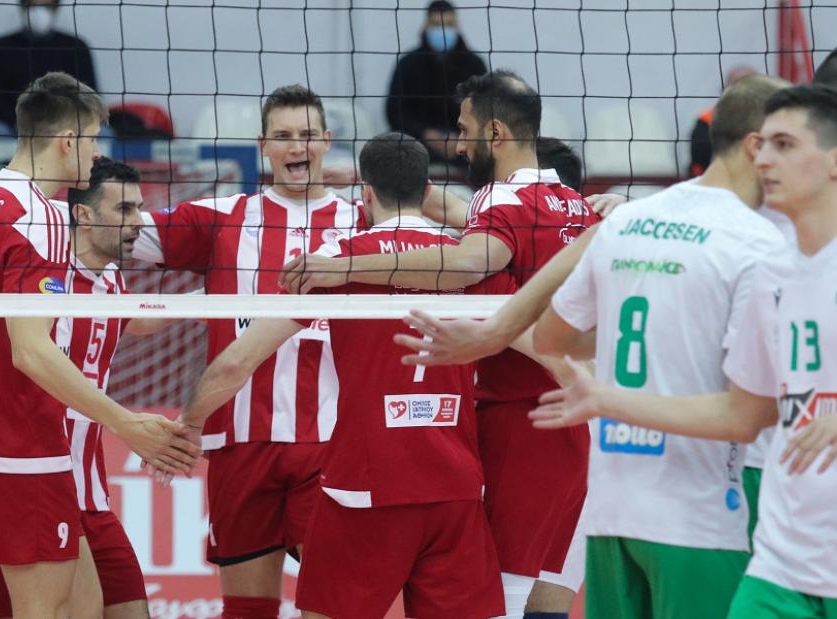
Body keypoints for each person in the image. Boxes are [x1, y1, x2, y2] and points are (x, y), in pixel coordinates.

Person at [281, 70, 597, 619]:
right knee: (543, 599)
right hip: (572, 425)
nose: (459, 144)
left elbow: (471, 260)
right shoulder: (575, 205)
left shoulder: (499, 200)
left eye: (465, 130)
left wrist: (344, 266)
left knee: (509, 600)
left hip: (521, 423)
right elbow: (477, 225)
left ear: (495, 133)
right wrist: (386, 183)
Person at [162, 132, 504, 619]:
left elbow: (238, 361)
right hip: (455, 487)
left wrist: (191, 423)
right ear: (428, 189)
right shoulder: (469, 261)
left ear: (365, 193)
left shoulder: (336, 263)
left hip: (366, 488)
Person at [530, 83, 837, 619]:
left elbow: (550, 333)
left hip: (691, 512)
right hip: (775, 555)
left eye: (784, 144)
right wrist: (604, 399)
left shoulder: (747, 247)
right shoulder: (768, 264)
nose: (766, 158)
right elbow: (743, 413)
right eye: (764, 143)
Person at [0, 72, 197, 619]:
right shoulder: (40, 216)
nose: (96, 154)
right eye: (93, 140)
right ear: (68, 140)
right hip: (20, 443)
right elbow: (31, 352)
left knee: (86, 603)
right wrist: (127, 424)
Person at [135, 84, 365, 619]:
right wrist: (7, 205)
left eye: (307, 135)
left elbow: (459, 247)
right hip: (241, 444)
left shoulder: (363, 223)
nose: (296, 146)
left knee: (335, 606)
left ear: (327, 141)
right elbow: (112, 230)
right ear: (263, 145)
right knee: (246, 610)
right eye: (283, 136)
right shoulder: (222, 217)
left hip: (331, 442)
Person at [386, 0, 486, 163]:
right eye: (437, 25)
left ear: (457, 27)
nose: (443, 31)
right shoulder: (407, 64)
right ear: (426, 27)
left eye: (449, 25)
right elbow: (394, 112)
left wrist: (461, 136)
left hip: (463, 144)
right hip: (417, 144)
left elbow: (483, 110)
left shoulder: (474, 65)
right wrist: (427, 135)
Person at [0, 0, 98, 135]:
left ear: (56, 9)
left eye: (46, 6)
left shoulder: (76, 48)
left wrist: (60, 125)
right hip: (12, 127)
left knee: (103, 132)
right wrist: (20, 123)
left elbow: (88, 96)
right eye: (32, 6)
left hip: (65, 128)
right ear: (23, 7)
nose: (39, 11)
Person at [689, 66, 757, 176]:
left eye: (751, 86)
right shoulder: (707, 121)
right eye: (737, 85)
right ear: (725, 90)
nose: (744, 92)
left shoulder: (769, 122)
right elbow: (700, 162)